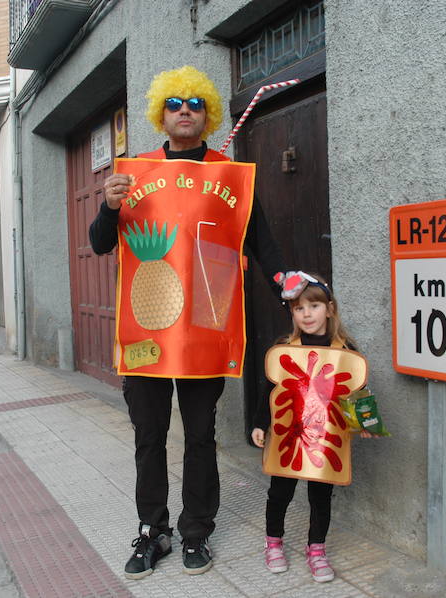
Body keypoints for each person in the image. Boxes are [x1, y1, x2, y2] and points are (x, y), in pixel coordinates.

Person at [90, 65, 304, 580]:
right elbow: (100, 243)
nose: (184, 110)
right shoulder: (134, 173)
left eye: (195, 103)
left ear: (208, 113)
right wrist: (108, 207)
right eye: (174, 103)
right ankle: (152, 530)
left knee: (202, 436)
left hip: (204, 332)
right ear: (160, 114)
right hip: (146, 337)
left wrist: (287, 283)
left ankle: (195, 532)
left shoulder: (227, 173)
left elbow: (262, 242)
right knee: (149, 436)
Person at [251, 273, 375, 583]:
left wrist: (366, 421)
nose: (307, 314)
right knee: (280, 492)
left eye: (314, 306)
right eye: (298, 308)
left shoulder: (346, 349)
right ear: (292, 314)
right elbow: (270, 389)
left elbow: (357, 388)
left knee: (321, 496)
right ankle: (274, 542)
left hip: (327, 438)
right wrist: (260, 424)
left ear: (330, 309)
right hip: (288, 436)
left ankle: (316, 549)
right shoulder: (283, 348)